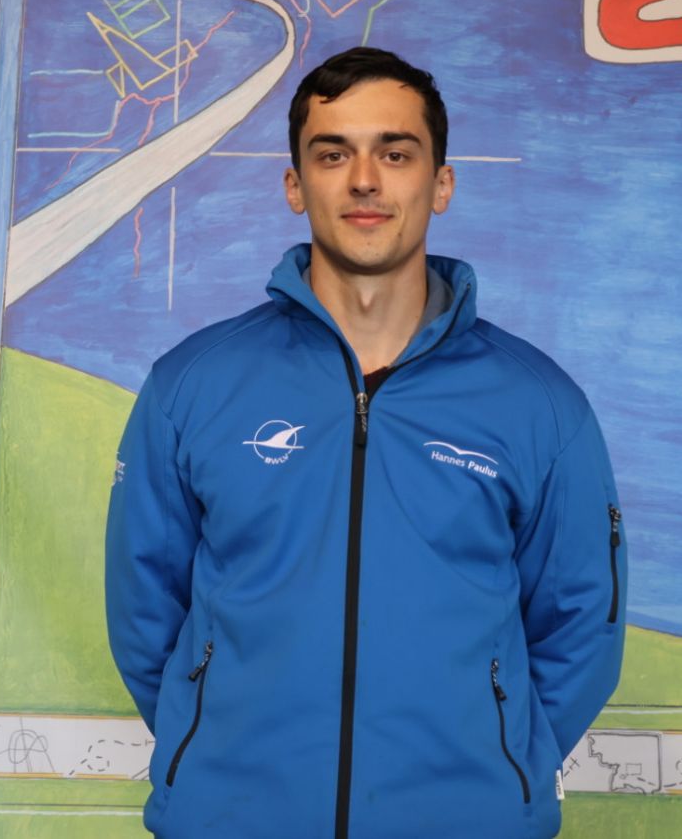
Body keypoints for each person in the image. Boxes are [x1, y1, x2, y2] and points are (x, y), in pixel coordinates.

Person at [105, 47, 625, 838]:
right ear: (295, 184)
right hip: (231, 817)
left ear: (441, 183)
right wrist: (207, 746)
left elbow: (582, 625)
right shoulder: (192, 385)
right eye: (332, 154)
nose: (364, 180)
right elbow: (145, 613)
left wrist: (499, 764)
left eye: (395, 152)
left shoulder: (539, 405)